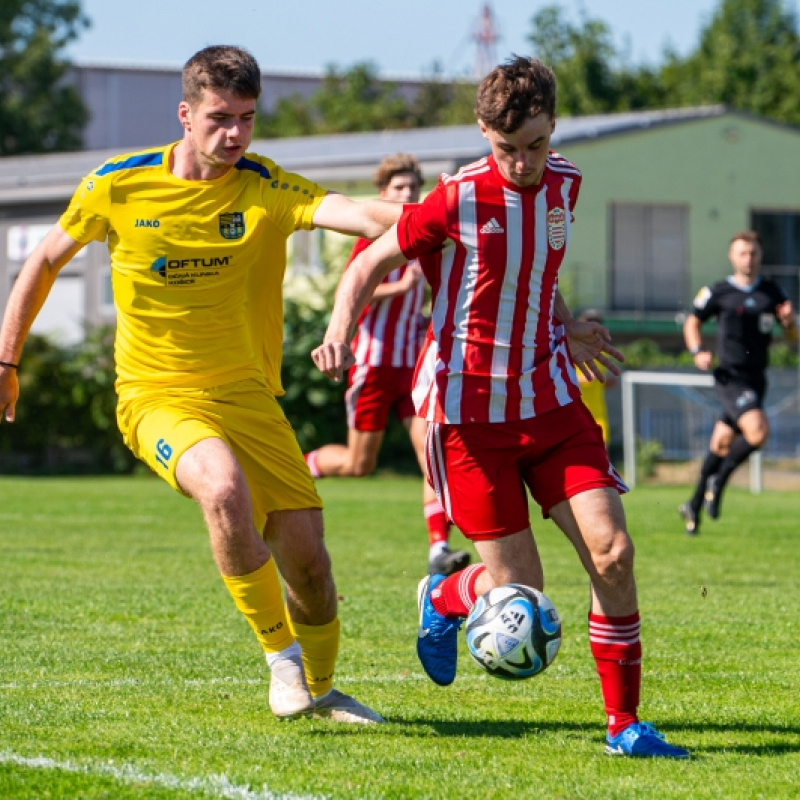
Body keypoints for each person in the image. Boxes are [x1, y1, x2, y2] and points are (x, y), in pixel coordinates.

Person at [0, 45, 405, 725]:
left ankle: (324, 689)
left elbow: (362, 215)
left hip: (248, 398)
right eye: (221, 118)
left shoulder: (265, 185)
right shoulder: (117, 185)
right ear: (185, 115)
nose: (235, 135)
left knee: (309, 562)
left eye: (247, 119)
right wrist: (7, 361)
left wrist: (459, 210)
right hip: (156, 396)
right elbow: (42, 260)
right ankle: (281, 662)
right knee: (221, 488)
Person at [312, 56, 689, 758]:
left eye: (536, 146)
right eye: (506, 147)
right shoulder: (455, 198)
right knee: (521, 587)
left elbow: (534, 273)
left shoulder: (567, 185)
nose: (522, 162)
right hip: (467, 416)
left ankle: (625, 725)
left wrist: (568, 323)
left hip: (549, 400)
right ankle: (445, 597)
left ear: (554, 129)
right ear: (485, 132)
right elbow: (367, 264)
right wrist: (339, 332)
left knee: (613, 551)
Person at [304, 153, 471, 577]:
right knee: (359, 465)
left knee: (432, 453)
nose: (407, 195)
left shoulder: (427, 236)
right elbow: (355, 285)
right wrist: (398, 288)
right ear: (383, 195)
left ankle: (438, 548)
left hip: (413, 368)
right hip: (373, 365)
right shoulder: (375, 238)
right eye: (399, 189)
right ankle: (294, 469)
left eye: (413, 189)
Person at [679, 230, 797, 536]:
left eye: (754, 253)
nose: (749, 258)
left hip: (757, 379)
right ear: (733, 257)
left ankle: (692, 503)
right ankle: (719, 481)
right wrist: (697, 351)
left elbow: (793, 337)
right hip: (730, 377)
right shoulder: (718, 291)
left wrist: (789, 324)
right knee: (758, 433)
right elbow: (693, 321)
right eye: (743, 253)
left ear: (760, 256)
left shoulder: (773, 293)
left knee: (720, 443)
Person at [575, 309, 617, 448]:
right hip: (577, 417)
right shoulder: (572, 350)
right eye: (589, 323)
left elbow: (605, 382)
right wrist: (583, 379)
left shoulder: (601, 354)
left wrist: (607, 381)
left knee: (602, 454)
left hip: (599, 415)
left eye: (597, 323)